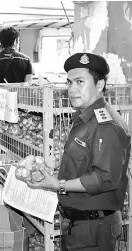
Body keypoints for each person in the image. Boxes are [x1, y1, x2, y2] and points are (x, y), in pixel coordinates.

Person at [26, 53, 131, 251]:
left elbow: (104, 177)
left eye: (80, 82)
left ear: (99, 85)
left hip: (93, 229)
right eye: (69, 82)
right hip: (78, 225)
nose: (72, 89)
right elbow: (82, 164)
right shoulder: (84, 118)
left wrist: (58, 184)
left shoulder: (106, 126)